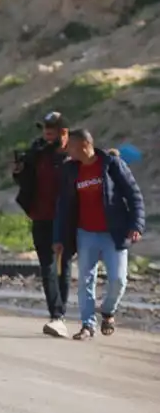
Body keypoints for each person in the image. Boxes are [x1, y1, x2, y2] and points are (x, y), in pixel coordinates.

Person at [53, 129, 145, 339]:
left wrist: (137, 225)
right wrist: (59, 237)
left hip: (114, 233)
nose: (68, 150)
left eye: (71, 146)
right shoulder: (71, 170)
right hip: (85, 233)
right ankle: (87, 325)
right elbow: (63, 206)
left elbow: (134, 195)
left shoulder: (111, 165)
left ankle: (108, 311)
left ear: (85, 145)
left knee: (119, 280)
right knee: (85, 280)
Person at [13, 112, 73, 337]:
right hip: (41, 217)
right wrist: (18, 171)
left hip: (65, 220)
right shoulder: (37, 152)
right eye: (45, 128)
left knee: (63, 266)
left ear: (63, 132)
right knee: (47, 267)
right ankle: (56, 315)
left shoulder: (71, 155)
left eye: (52, 129)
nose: (47, 133)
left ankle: (60, 312)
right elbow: (24, 180)